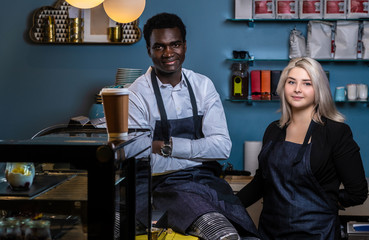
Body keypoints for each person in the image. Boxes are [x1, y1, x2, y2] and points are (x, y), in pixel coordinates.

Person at [128, 12, 259, 240]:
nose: (168, 53)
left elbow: (221, 148)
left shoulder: (203, 86)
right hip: (163, 187)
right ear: (148, 50)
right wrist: (199, 151)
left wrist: (164, 146)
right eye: (159, 47)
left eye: (175, 44)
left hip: (206, 183)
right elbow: (137, 151)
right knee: (223, 234)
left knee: (248, 235)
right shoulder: (136, 94)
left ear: (185, 46)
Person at [237, 57, 368, 240]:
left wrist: (324, 201)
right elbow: (261, 183)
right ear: (284, 86)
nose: (297, 89)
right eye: (292, 82)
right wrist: (226, 205)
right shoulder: (274, 130)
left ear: (319, 89)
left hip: (317, 233)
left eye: (307, 83)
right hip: (270, 232)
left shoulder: (336, 132)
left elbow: (358, 192)